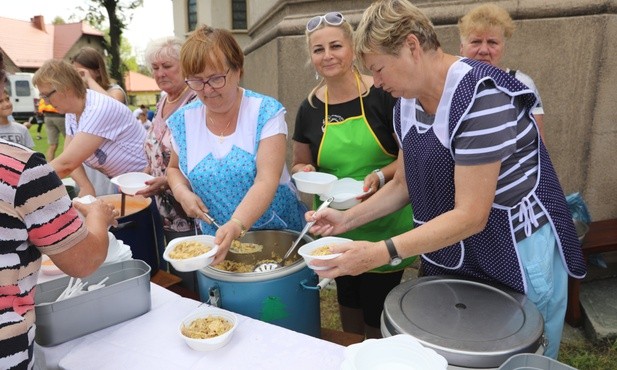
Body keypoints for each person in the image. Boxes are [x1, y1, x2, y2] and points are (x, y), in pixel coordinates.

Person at [307, 0, 586, 359]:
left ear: (411, 47)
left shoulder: (483, 97)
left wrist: (381, 252)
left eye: (379, 69)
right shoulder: (408, 100)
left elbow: (472, 214)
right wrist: (346, 219)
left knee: (512, 357)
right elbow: (403, 185)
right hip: (457, 250)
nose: (376, 83)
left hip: (514, 251)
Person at [292, 11, 414, 339]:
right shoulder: (309, 109)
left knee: (376, 312)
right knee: (348, 303)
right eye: (319, 49)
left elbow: (407, 161)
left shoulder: (383, 94)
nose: (328, 55)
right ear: (311, 56)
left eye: (336, 46)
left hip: (384, 223)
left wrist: (379, 175)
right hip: (335, 227)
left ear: (353, 49)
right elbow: (299, 163)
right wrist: (303, 171)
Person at [0, 52, 118, 370]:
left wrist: (48, 198)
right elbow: (84, 260)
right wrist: (97, 215)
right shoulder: (19, 167)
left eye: (48, 94)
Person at [166, 25, 306, 265]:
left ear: (238, 70)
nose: (207, 90)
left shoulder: (265, 112)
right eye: (197, 81)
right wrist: (182, 193)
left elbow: (266, 179)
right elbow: (173, 169)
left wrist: (237, 224)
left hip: (275, 233)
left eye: (216, 78)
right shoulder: (183, 121)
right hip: (215, 240)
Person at [32, 59, 148, 197]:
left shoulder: (98, 109)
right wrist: (85, 185)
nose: (45, 102)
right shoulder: (72, 111)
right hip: (128, 182)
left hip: (146, 179)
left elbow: (67, 163)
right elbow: (68, 155)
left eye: (46, 95)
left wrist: (23, 182)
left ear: (65, 88)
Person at [137, 36, 198, 244]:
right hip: (165, 209)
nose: (160, 73)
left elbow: (199, 157)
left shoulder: (196, 101)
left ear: (185, 66)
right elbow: (156, 151)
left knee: (192, 264)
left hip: (190, 207)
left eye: (167, 66)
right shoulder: (163, 100)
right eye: (154, 68)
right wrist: (143, 176)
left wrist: (165, 181)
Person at [458, 3, 546, 141]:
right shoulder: (450, 84)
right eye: (476, 42)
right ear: (461, 48)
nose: (484, 50)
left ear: (503, 48)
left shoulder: (522, 84)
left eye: (492, 42)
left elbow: (539, 144)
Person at [72, 46, 129, 195]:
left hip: (113, 167)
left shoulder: (115, 91)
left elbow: (111, 106)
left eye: (81, 72)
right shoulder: (78, 99)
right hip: (91, 167)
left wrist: (89, 80)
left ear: (97, 71)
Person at [37, 96, 66, 160]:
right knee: (69, 141)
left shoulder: (45, 96)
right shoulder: (57, 93)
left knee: (52, 144)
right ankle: (67, 161)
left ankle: (49, 165)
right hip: (60, 117)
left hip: (47, 118)